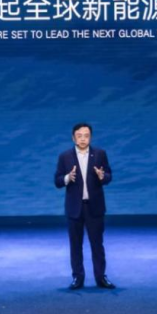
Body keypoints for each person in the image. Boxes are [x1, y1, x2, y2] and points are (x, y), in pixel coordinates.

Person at [54, 122, 116, 290]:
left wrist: (102, 176)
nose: (83, 139)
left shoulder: (100, 154)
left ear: (91, 137)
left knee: (97, 245)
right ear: (73, 138)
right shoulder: (65, 156)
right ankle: (78, 278)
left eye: (86, 136)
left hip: (94, 207)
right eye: (79, 136)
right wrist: (67, 178)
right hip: (74, 208)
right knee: (75, 245)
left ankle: (101, 277)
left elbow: (109, 176)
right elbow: (57, 181)